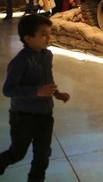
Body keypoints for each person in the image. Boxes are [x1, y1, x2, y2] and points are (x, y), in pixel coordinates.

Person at [0, 14, 71, 181]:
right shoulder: (20, 61)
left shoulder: (47, 55)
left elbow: (47, 79)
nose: (49, 38)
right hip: (23, 117)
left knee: (43, 155)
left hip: (45, 116)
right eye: (43, 34)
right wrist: (36, 92)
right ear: (28, 38)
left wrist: (57, 93)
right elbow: (8, 90)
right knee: (18, 152)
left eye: (49, 33)